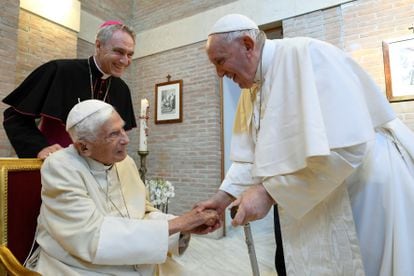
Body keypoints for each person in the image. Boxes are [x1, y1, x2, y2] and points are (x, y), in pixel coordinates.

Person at [198, 13, 414, 276]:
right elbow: (249, 158)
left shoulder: (309, 55)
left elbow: (348, 148)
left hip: (362, 190)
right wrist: (221, 199)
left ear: (247, 44)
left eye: (220, 61)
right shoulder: (252, 86)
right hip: (316, 194)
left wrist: (269, 193)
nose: (219, 74)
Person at [26, 99, 219, 275]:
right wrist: (178, 224)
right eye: (114, 134)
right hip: (77, 266)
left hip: (135, 262)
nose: (126, 139)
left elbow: (142, 213)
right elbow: (91, 237)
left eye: (123, 129)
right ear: (84, 147)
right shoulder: (61, 167)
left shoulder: (125, 162)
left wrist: (184, 227)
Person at [2, 20, 136, 159]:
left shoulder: (122, 90)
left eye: (130, 54)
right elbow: (15, 117)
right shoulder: (59, 71)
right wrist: (40, 147)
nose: (125, 61)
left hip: (99, 173)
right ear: (98, 45)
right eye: (119, 52)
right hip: (57, 167)